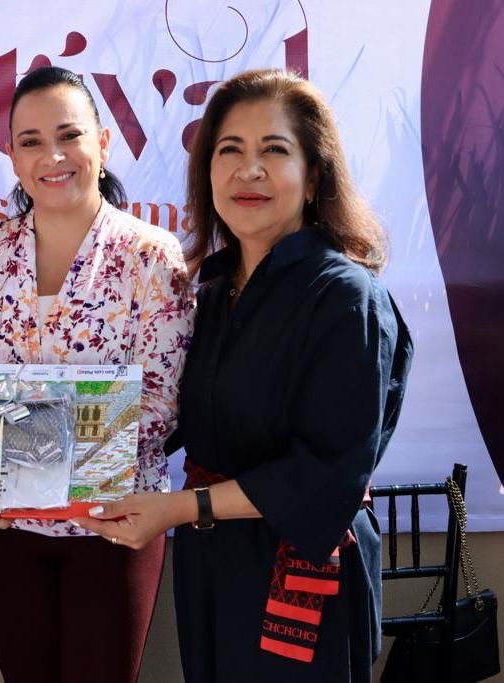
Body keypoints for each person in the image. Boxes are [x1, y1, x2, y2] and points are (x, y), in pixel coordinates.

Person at [75, 68, 413, 682]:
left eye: (274, 151)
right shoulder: (211, 292)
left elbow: (324, 475)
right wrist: (15, 474)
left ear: (314, 177)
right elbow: (158, 416)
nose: (248, 170)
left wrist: (180, 507)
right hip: (212, 563)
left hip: (300, 568)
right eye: (229, 150)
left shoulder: (344, 298)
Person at [0, 66, 194, 682]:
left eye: (69, 135)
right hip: (2, 526)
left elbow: (157, 407)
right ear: (12, 157)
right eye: (30, 141)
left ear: (102, 143)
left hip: (113, 522)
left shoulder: (150, 256)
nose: (51, 156)